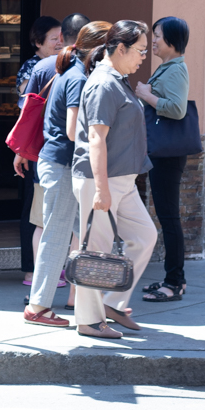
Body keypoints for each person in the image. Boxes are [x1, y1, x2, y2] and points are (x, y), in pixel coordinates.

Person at [72, 21, 158, 340]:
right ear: (120, 49)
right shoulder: (104, 83)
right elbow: (96, 139)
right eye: (140, 51)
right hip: (103, 180)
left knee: (145, 236)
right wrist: (101, 189)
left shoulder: (117, 80)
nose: (143, 58)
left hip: (122, 180)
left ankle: (112, 303)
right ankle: (89, 320)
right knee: (96, 250)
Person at [23, 22, 112, 328]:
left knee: (84, 235)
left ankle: (95, 304)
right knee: (58, 236)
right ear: (98, 49)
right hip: (61, 165)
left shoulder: (71, 72)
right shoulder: (77, 77)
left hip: (59, 164)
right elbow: (73, 131)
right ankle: (38, 307)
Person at [16, 13, 90, 290]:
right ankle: (65, 287)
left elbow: (27, 113)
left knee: (42, 221)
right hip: (66, 155)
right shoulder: (81, 71)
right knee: (73, 225)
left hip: (43, 152)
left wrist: (22, 148)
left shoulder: (46, 67)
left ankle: (39, 280)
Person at [135, 16, 190, 303]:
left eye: (157, 35)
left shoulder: (175, 69)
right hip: (163, 153)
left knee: (169, 218)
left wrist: (146, 95)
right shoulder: (168, 67)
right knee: (167, 217)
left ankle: (174, 282)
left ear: (172, 40)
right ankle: (174, 279)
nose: (153, 40)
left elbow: (178, 109)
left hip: (167, 156)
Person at [15, 15, 63, 282]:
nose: (60, 43)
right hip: (36, 146)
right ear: (38, 42)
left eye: (62, 38)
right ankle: (31, 269)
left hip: (50, 146)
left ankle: (51, 266)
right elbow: (27, 107)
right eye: (54, 38)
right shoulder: (33, 67)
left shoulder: (62, 64)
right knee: (35, 211)